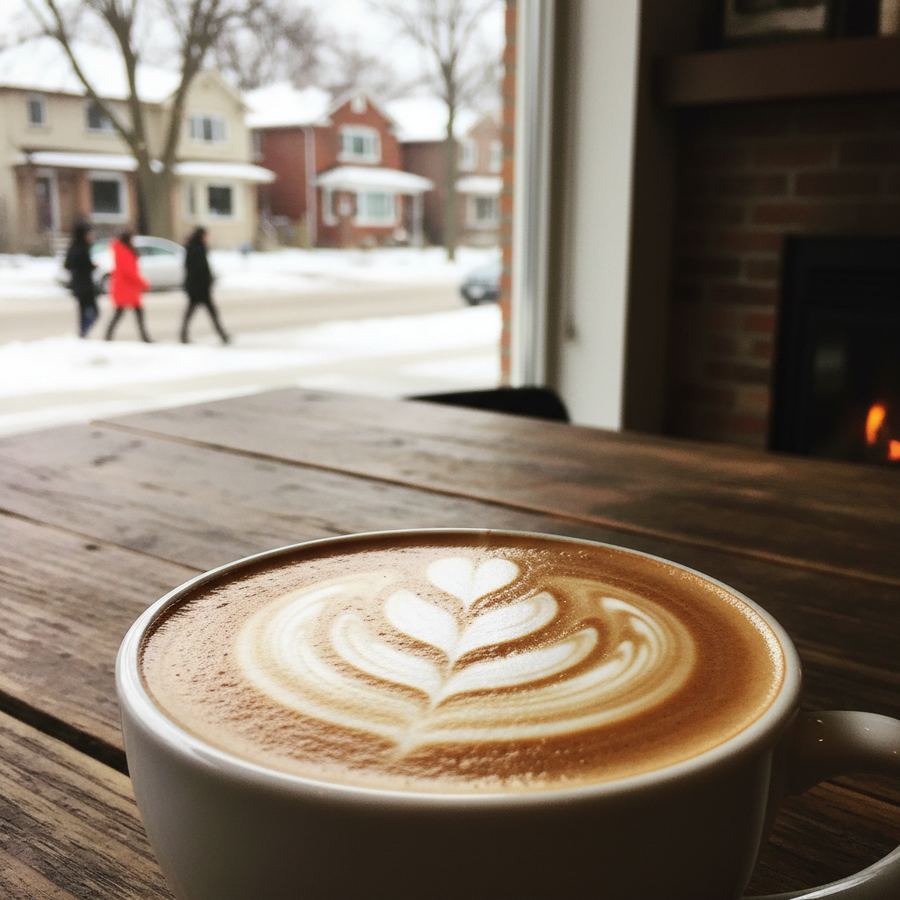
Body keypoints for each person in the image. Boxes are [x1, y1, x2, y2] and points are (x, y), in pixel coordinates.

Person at [181, 226, 230, 344]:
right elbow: (199, 269)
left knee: (193, 313)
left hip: (198, 287)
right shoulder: (196, 249)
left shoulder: (196, 247)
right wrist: (207, 281)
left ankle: (183, 335)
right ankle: (222, 335)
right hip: (199, 288)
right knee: (210, 313)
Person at [105, 230, 152, 342]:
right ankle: (108, 336)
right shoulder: (123, 252)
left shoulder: (123, 250)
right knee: (123, 313)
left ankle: (108, 336)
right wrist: (143, 283)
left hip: (128, 288)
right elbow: (129, 272)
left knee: (125, 313)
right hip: (125, 288)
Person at [63, 221, 99, 338]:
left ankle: (83, 332)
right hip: (85, 286)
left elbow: (67, 265)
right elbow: (83, 266)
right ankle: (84, 332)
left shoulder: (73, 247)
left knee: (83, 311)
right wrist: (91, 266)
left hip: (77, 285)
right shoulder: (82, 248)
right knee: (94, 312)